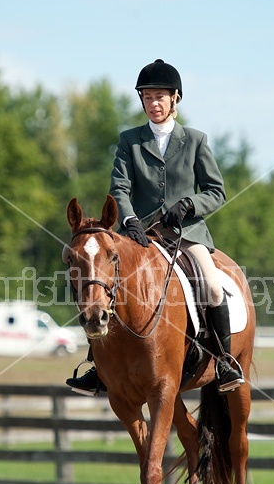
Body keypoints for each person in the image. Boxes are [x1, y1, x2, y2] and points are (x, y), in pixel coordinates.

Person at [66, 59, 244, 395]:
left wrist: (190, 205)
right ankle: (97, 364)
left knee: (213, 286)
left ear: (175, 98)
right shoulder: (129, 141)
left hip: (186, 234)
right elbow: (119, 187)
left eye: (160, 97)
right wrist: (130, 219)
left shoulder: (195, 140)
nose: (153, 103)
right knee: (99, 282)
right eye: (147, 98)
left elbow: (216, 192)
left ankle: (224, 360)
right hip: (141, 235)